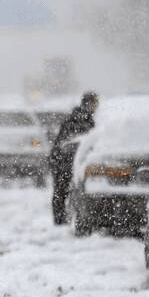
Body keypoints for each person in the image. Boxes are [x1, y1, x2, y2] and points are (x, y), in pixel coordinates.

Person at [49, 91, 99, 225]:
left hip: (63, 159)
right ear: (89, 104)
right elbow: (69, 142)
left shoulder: (80, 118)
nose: (96, 107)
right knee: (63, 190)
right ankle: (61, 220)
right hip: (64, 160)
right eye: (95, 103)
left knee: (62, 191)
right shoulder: (82, 120)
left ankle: (61, 219)